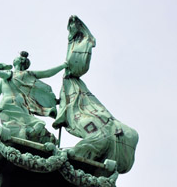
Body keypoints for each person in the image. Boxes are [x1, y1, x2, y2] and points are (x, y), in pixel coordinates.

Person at [53, 15, 138, 174]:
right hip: (75, 98)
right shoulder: (72, 83)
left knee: (85, 121)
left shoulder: (71, 81)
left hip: (75, 99)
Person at [0, 51, 66, 142]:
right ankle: (32, 131)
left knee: (11, 124)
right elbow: (47, 73)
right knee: (24, 122)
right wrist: (63, 66)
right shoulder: (27, 74)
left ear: (15, 62)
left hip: (7, 102)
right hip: (22, 103)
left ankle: (29, 131)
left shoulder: (7, 76)